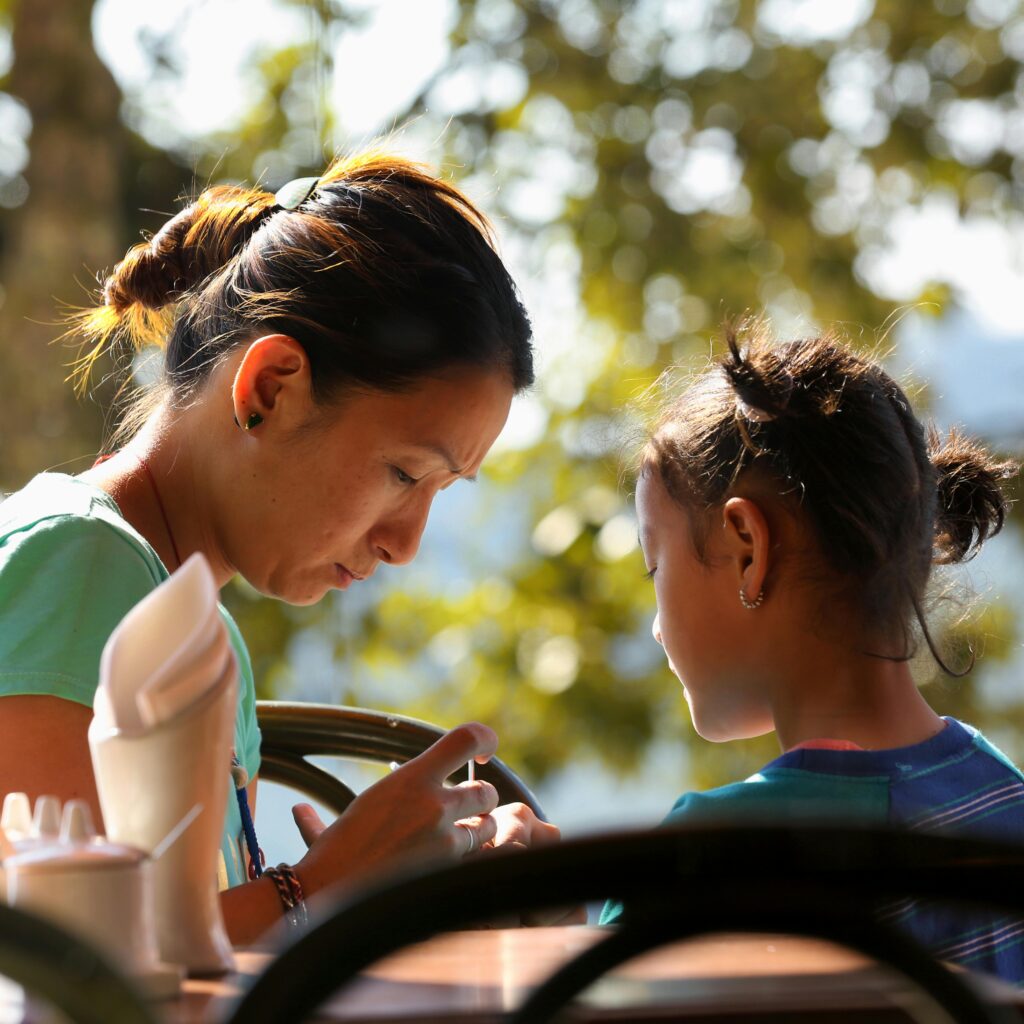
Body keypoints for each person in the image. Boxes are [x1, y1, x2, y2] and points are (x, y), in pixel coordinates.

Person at [0, 151, 562, 944]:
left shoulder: (202, 635)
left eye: (441, 492)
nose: (406, 544)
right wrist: (326, 889)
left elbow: (196, 946)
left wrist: (423, 895)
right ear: (269, 389)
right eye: (404, 473)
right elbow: (58, 964)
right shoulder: (76, 568)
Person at [601, 322, 1023, 981]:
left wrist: (542, 906)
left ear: (748, 549)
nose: (657, 627)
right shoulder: (1003, 799)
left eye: (657, 570)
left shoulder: (714, 856)